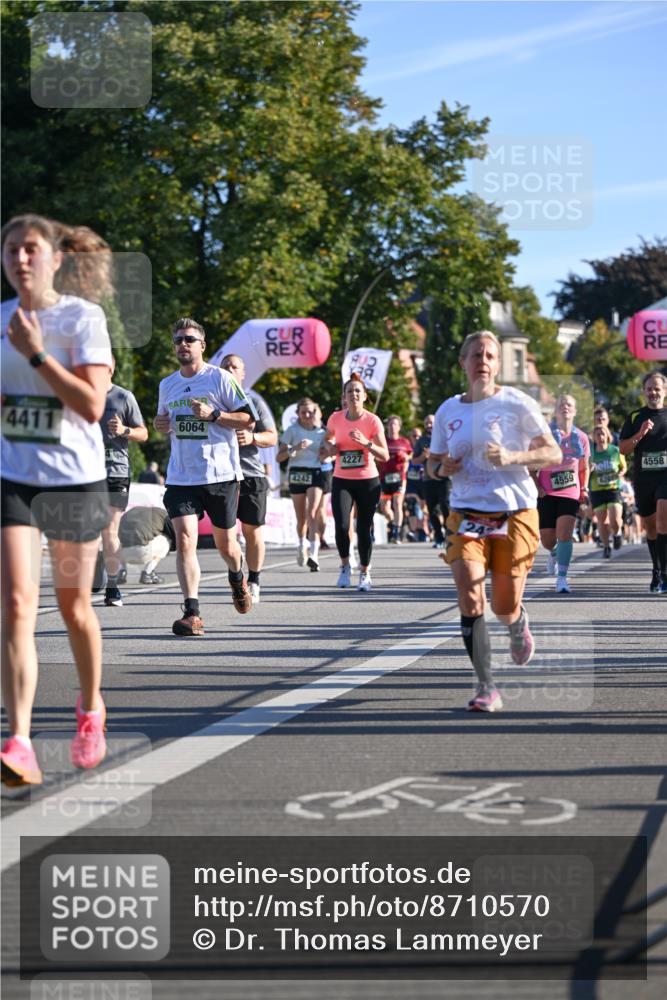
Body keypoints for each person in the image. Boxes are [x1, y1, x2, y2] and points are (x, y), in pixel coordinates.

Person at [1, 214, 112, 784]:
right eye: (12, 250)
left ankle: (90, 709)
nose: (21, 258)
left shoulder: (81, 318)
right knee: (18, 604)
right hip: (14, 477)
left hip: (74, 478)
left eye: (31, 249)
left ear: (55, 258)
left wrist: (39, 355)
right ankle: (18, 739)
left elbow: (93, 406)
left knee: (72, 608)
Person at [427, 330, 561, 713]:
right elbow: (433, 463)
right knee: (469, 590)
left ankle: (517, 624)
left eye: (489, 355)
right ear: (463, 363)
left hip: (515, 510)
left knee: (503, 605)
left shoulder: (517, 403)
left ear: (497, 364)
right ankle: (486, 686)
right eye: (476, 355)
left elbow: (551, 453)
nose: (483, 361)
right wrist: (441, 469)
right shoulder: (448, 411)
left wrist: (513, 457)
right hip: (466, 512)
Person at [153, 317, 256, 636]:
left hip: (221, 475)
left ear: (202, 346)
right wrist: (160, 424)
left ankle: (238, 576)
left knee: (226, 546)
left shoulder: (220, 379)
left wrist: (214, 415)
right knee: (184, 539)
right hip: (181, 477)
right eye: (178, 340)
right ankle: (192, 612)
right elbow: (164, 421)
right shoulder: (167, 384)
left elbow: (248, 419)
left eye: (189, 339)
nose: (182, 344)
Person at [219, 354, 278, 603]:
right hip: (221, 475)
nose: (230, 370)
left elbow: (272, 436)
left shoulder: (252, 401)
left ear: (242, 374)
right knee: (227, 535)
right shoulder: (214, 401)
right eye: (226, 366)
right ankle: (236, 569)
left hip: (251, 473)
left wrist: (253, 438)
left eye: (235, 367)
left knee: (252, 531)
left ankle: (253, 579)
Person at [323, 373, 389, 592]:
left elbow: (385, 455)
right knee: (342, 526)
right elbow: (327, 441)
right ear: (344, 397)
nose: (354, 394)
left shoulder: (372, 420)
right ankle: (344, 567)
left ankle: (365, 572)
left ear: (364, 396)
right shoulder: (335, 418)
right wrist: (330, 449)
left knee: (363, 528)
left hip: (368, 481)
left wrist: (366, 443)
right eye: (350, 391)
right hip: (342, 479)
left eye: (358, 391)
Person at [98, 357, 148, 606]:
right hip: (85, 472)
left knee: (109, 530)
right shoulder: (79, 394)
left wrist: (124, 431)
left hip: (115, 471)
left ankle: (113, 585)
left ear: (109, 368)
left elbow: (144, 433)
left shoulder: (123, 397)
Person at [536, 394, 590, 592]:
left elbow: (584, 467)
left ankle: (562, 578)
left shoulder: (582, 438)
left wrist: (583, 488)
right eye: (561, 404)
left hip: (570, 491)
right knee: (548, 539)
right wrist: (536, 486)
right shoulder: (544, 436)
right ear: (555, 410)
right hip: (546, 492)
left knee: (565, 534)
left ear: (574, 411)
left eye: (569, 405)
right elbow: (530, 464)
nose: (565, 407)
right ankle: (554, 552)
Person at [620, 371, 667, 593]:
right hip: (643, 479)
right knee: (650, 528)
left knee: (662, 521)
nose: (653, 392)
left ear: (665, 391)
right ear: (644, 392)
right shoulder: (635, 417)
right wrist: (639, 434)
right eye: (649, 388)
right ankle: (656, 569)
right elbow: (622, 449)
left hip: (665, 479)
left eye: (657, 388)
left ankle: (665, 574)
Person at [277, 398, 327, 571]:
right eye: (303, 412)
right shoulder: (291, 431)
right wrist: (295, 448)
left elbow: (328, 455)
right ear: (297, 413)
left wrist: (327, 454)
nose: (307, 415)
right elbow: (279, 457)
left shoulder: (322, 432)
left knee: (312, 512)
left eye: (310, 412)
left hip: (315, 472)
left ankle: (314, 555)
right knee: (301, 518)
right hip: (297, 473)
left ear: (315, 412)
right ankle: (301, 545)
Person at [413, 413, 451, 549]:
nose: (429, 425)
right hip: (428, 480)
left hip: (444, 478)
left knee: (445, 505)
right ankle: (439, 537)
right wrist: (424, 456)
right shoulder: (421, 441)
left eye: (432, 423)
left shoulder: (445, 438)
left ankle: (449, 534)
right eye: (427, 423)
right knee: (432, 509)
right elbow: (414, 460)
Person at [589, 425, 626, 558]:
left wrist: (621, 472)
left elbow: (623, 468)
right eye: (597, 435)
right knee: (602, 521)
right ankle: (606, 546)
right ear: (594, 438)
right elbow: (584, 470)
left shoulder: (615, 451)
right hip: (597, 490)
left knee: (615, 519)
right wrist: (589, 469)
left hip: (613, 489)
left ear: (607, 435)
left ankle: (617, 534)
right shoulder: (591, 454)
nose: (600, 437)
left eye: (603, 434)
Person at [118, 505, 175, 583]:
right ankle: (147, 573)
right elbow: (173, 534)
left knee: (118, 541)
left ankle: (121, 572)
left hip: (121, 554)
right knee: (166, 540)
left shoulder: (128, 513)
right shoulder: (162, 514)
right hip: (142, 552)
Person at [378, 415, 412, 544]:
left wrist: (405, 457)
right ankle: (394, 524)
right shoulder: (383, 441)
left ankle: (396, 533)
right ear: (387, 427)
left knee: (397, 503)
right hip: (384, 477)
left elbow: (411, 456)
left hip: (399, 477)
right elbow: (376, 455)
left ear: (399, 427)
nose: (392, 427)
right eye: (390, 424)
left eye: (395, 424)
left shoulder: (404, 442)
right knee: (385, 508)